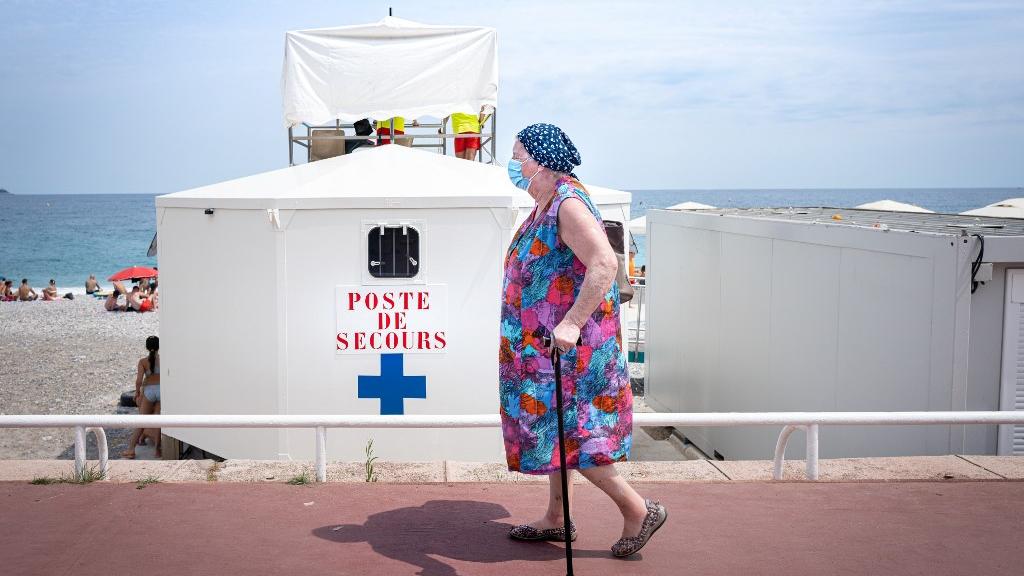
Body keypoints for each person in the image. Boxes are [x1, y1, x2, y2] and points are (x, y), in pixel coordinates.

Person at [499, 123, 667, 559]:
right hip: (545, 351)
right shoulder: (546, 204)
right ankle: (557, 516)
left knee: (578, 436)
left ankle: (638, 509)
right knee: (557, 433)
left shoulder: (567, 204)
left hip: (571, 353)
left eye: (519, 158)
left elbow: (604, 263)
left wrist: (572, 322)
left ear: (542, 160)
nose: (514, 166)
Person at [122, 336, 161, 459]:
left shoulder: (143, 361)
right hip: (161, 391)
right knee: (159, 421)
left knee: (142, 421)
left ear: (147, 347)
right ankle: (157, 450)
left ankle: (131, 449)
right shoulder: (164, 359)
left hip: (149, 391)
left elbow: (139, 381)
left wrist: (137, 393)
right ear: (159, 347)